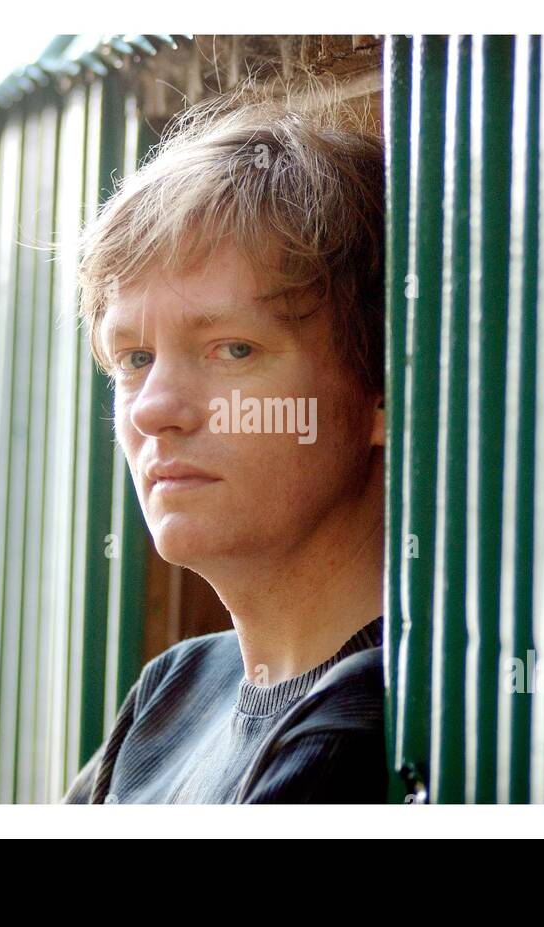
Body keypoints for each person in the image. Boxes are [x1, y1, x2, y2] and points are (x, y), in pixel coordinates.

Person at [63, 79, 388, 803]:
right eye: (135, 359)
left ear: (381, 395)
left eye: (232, 350)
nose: (155, 411)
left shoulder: (358, 731)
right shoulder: (175, 690)